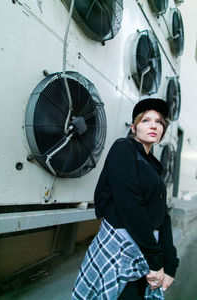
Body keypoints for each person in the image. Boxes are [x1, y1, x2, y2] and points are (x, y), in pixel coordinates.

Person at [72, 98, 179, 300]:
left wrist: (170, 263)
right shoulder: (123, 148)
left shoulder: (154, 165)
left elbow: (161, 214)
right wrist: (155, 261)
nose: (154, 125)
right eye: (146, 120)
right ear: (134, 127)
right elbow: (130, 205)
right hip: (123, 248)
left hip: (147, 245)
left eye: (159, 122)